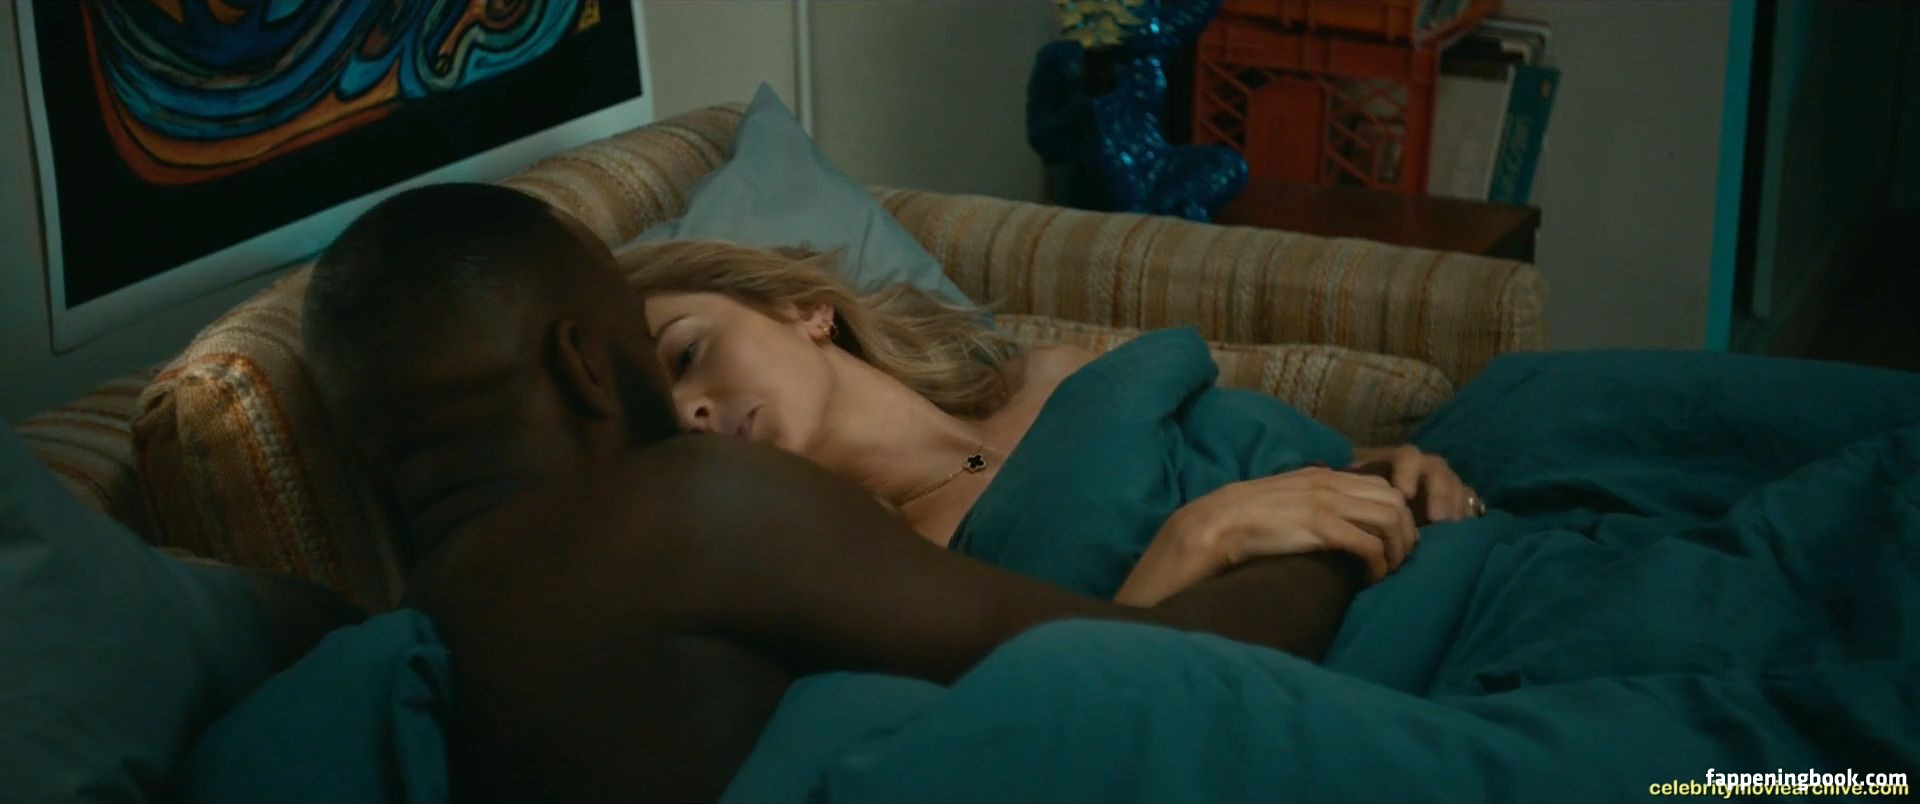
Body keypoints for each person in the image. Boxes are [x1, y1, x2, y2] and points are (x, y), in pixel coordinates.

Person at [301, 183, 1374, 800]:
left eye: (683, 353)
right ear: (588, 366)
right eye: (647, 352)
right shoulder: (691, 514)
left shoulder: (417, 633)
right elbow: (1147, 677)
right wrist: (1350, 524)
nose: (684, 415)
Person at [621, 239, 1486, 604]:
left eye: (687, 355)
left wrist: (1390, 463)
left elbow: (1282, 454)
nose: (690, 412)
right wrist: (1201, 539)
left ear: (802, 309)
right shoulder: (892, 571)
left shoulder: (1047, 377)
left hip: (1443, 546)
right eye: (666, 425)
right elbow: (1063, 720)